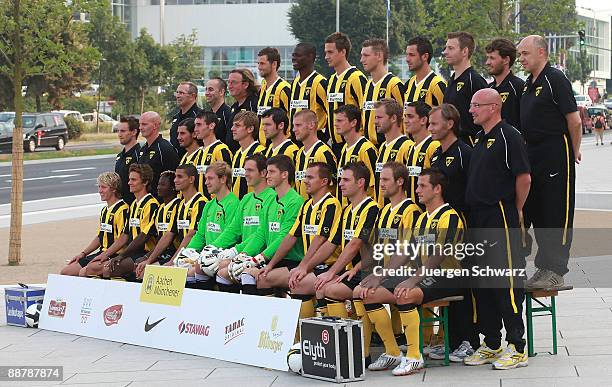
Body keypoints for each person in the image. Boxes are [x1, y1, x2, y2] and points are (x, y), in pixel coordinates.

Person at [358, 168, 465, 376]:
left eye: (422, 186)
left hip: (448, 276)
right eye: (417, 185)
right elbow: (406, 251)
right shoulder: (423, 218)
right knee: (367, 293)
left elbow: (439, 255)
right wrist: (381, 274)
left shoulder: (449, 216)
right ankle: (392, 352)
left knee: (405, 292)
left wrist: (413, 280)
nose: (417, 190)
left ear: (438, 189)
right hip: (425, 276)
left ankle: (415, 356)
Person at [464, 88, 531, 370]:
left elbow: (524, 177)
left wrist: (515, 209)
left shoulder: (509, 136)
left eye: (476, 106)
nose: (471, 111)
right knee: (483, 284)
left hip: (499, 215)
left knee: (504, 282)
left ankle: (517, 347)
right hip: (477, 217)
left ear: (493, 107)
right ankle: (492, 343)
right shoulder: (480, 138)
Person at [518, 35, 581, 288]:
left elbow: (574, 121)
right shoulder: (528, 84)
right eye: (520, 54)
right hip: (533, 153)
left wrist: (572, 152)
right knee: (539, 212)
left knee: (556, 213)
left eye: (525, 54)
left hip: (556, 152)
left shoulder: (556, 79)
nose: (521, 58)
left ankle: (556, 270)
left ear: (542, 52)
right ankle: (543, 267)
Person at [353, 162, 422, 371]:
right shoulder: (383, 211)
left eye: (385, 180)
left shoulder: (411, 211)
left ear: (400, 182)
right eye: (380, 179)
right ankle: (391, 352)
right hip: (387, 273)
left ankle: (408, 353)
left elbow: (410, 250)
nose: (380, 184)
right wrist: (358, 267)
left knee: (366, 292)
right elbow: (377, 249)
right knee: (360, 291)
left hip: (407, 273)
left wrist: (381, 275)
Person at [313, 162, 380, 366]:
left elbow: (355, 244)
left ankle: (362, 354)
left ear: (361, 183)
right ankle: (339, 348)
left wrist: (332, 271)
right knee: (324, 287)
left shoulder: (372, 208)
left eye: (345, 180)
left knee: (334, 288)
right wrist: (306, 268)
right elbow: (332, 243)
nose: (340, 184)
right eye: (340, 179)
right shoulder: (347, 210)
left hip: (370, 271)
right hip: (351, 272)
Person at [428, 103, 478, 360]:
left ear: (449, 124)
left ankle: (470, 340)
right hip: (439, 227)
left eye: (434, 123)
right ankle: (452, 339)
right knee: (445, 281)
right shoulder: (436, 153)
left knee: (463, 284)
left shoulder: (464, 153)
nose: (430, 128)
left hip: (461, 229)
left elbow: (472, 190)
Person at [236, 155, 305, 296]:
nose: (267, 176)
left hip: (291, 260)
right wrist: (243, 254)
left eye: (272, 172)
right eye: (267, 172)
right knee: (241, 272)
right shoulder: (270, 200)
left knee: (256, 276)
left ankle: (262, 316)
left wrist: (260, 258)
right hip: (273, 259)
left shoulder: (295, 201)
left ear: (285, 175)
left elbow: (284, 237)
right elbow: (261, 233)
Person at [285, 162, 342, 319]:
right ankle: (300, 337)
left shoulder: (331, 204)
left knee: (297, 284)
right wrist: (267, 263)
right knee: (267, 278)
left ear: (324, 181)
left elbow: (321, 238)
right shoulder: (307, 205)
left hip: (327, 265)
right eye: (305, 177)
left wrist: (303, 266)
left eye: (310, 177)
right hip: (312, 266)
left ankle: (310, 334)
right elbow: (291, 235)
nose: (305, 181)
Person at [83, 164, 159, 279]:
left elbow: (143, 236)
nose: (129, 183)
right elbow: (125, 234)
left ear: (145, 182)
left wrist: (121, 256)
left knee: (105, 269)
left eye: (133, 180)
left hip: (144, 253)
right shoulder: (134, 205)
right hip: (131, 253)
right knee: (85, 270)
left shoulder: (151, 204)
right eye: (129, 179)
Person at [214, 154, 276, 293]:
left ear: (263, 173)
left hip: (262, 255)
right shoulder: (246, 198)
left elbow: (261, 235)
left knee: (226, 268)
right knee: (214, 266)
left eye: (250, 170)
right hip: (246, 253)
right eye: (245, 170)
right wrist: (214, 247)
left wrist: (238, 251)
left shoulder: (272, 197)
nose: (245, 174)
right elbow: (233, 229)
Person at [61, 172, 129, 276]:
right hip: (102, 252)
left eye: (103, 187)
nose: (100, 191)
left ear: (114, 189)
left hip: (114, 254)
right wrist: (83, 254)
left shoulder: (122, 210)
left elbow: (123, 239)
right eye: (99, 187)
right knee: (66, 271)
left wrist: (106, 254)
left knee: (83, 272)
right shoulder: (104, 210)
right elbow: (100, 236)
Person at [186, 162, 240, 286]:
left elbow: (231, 236)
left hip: (222, 256)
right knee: (183, 267)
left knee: (194, 271)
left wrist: (210, 251)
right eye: (206, 179)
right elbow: (200, 235)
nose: (206, 183)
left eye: (210, 178)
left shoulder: (233, 204)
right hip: (207, 255)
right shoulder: (209, 205)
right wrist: (187, 252)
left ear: (223, 179)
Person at [324, 32, 368, 158]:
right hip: (335, 145)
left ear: (343, 52)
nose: (326, 56)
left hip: (353, 143)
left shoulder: (356, 78)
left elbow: (364, 111)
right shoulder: (331, 80)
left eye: (330, 52)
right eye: (326, 52)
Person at [443, 31, 488, 145]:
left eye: (451, 48)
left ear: (464, 51)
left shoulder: (475, 80)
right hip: (452, 146)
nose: (445, 52)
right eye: (446, 48)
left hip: (470, 147)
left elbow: (487, 118)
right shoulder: (451, 81)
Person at [135, 171, 180, 279]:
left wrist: (148, 258)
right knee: (137, 269)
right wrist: (146, 256)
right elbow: (146, 234)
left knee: (143, 273)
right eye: (158, 184)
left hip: (173, 253)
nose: (158, 187)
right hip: (160, 252)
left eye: (163, 185)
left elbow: (169, 237)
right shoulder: (159, 209)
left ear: (173, 187)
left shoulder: (178, 206)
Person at [361, 38, 404, 146]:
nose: (362, 60)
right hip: (369, 148)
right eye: (362, 55)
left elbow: (403, 119)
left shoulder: (394, 84)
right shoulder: (368, 85)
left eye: (366, 55)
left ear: (379, 56)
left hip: (388, 146)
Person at [335, 104, 378, 207]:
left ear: (354, 122)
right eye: (336, 120)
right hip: (347, 212)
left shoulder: (366, 149)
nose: (335, 124)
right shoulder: (344, 148)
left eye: (340, 121)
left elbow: (373, 186)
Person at [374, 99, 414, 207]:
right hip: (384, 212)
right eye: (375, 117)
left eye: (380, 117)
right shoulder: (382, 147)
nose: (375, 122)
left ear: (393, 118)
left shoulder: (407, 146)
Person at [293, 110, 337, 200]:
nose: (294, 129)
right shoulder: (299, 153)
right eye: (294, 126)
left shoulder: (323, 152)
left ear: (311, 125)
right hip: (303, 209)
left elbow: (333, 187)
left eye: (298, 125)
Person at [288, 43, 328, 141]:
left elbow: (330, 113)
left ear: (310, 57)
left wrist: (324, 138)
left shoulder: (320, 82)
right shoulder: (294, 83)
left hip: (314, 140)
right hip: (295, 140)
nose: (294, 58)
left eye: (298, 55)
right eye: (293, 55)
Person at [404, 101, 440, 207]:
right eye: (405, 116)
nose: (405, 121)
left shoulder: (434, 146)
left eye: (410, 117)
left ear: (423, 120)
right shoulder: (411, 148)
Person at [485, 38, 524, 131]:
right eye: (487, 58)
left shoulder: (518, 87)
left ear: (506, 60)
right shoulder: (488, 89)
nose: (487, 62)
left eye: (492, 58)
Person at [138, 111, 179, 197]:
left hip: (160, 201)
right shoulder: (142, 150)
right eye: (140, 124)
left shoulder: (164, 148)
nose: (140, 128)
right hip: (145, 201)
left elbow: (173, 177)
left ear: (156, 125)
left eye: (144, 124)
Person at [193, 111, 233, 199]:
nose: (195, 129)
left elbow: (228, 180)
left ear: (211, 126)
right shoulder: (199, 152)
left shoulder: (220, 149)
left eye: (199, 125)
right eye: (195, 125)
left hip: (216, 204)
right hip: (202, 204)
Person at [256, 47, 291, 146]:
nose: (259, 67)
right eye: (258, 63)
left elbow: (291, 118)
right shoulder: (263, 86)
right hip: (264, 147)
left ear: (274, 64)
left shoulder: (284, 89)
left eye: (262, 63)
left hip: (278, 147)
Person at [230, 111, 266, 199]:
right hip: (237, 207)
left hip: (254, 206)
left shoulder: (260, 152)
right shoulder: (237, 153)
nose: (232, 129)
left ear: (250, 129)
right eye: (233, 125)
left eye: (237, 126)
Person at [404, 36, 447, 107]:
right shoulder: (409, 84)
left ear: (425, 57)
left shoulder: (437, 85)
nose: (407, 59)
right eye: (407, 54)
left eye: (412, 55)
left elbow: (448, 114)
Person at [205, 77, 236, 152]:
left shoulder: (228, 114)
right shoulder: (206, 115)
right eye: (206, 89)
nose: (206, 93)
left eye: (210, 89)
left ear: (221, 92)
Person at [170, 81, 201, 157]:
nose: (177, 96)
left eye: (181, 93)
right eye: (177, 92)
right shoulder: (176, 117)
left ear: (192, 96)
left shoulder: (200, 117)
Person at [115, 116, 140, 204]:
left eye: (123, 131)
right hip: (120, 206)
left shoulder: (139, 155)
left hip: (133, 205)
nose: (119, 134)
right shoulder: (119, 156)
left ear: (134, 132)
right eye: (118, 131)